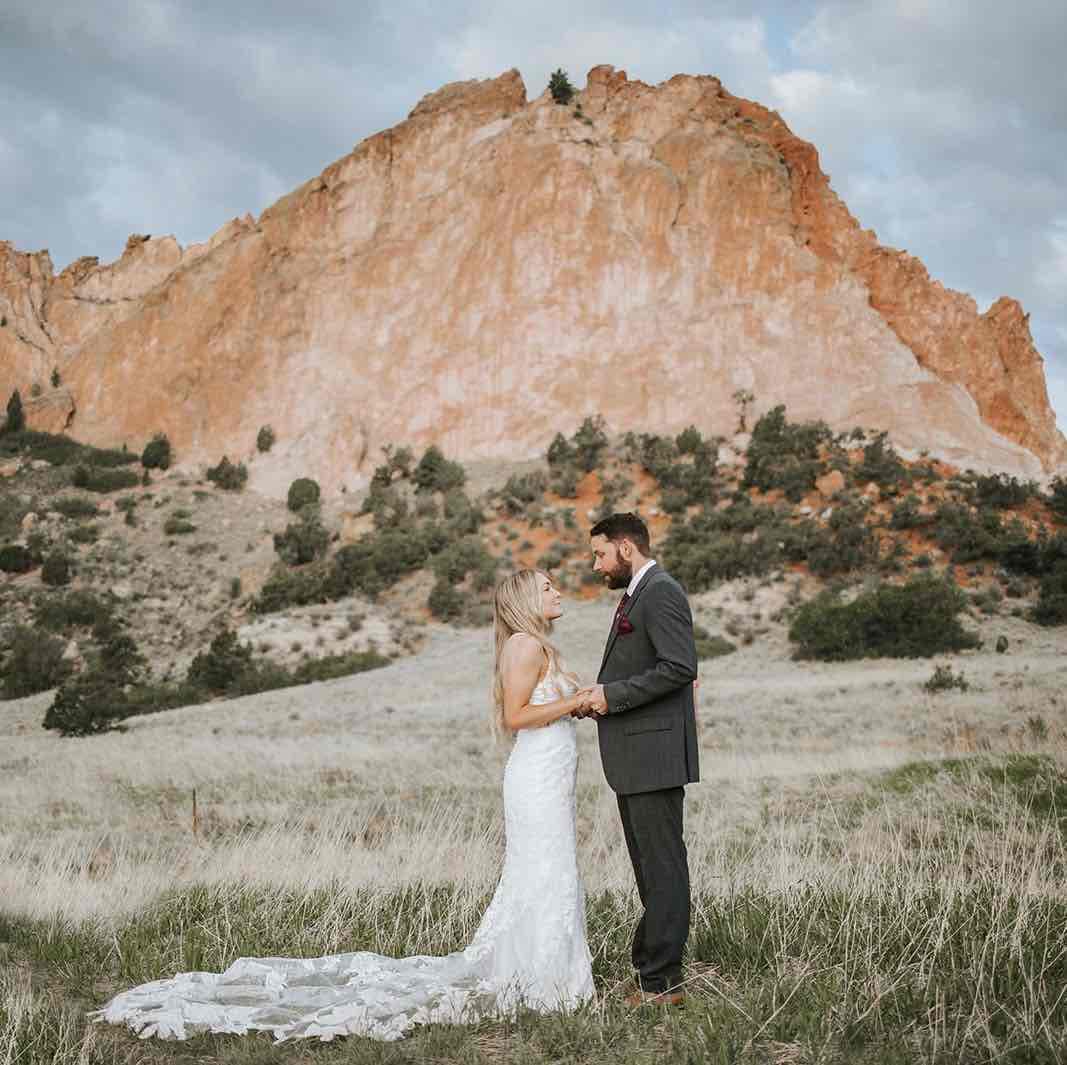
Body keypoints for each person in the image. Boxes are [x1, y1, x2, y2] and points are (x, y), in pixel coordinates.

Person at [92, 569, 594, 1042]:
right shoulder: (526, 645)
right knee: (545, 869)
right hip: (536, 777)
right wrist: (576, 702)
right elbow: (516, 715)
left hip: (547, 775)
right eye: (547, 588)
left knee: (546, 871)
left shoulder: (532, 644)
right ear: (528, 599)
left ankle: (542, 972)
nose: (557, 593)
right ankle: (546, 979)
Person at [575, 512, 699, 1007]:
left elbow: (679, 667)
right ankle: (652, 972)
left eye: (600, 554)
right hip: (637, 756)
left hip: (654, 755)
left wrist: (612, 696)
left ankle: (661, 982)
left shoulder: (661, 591)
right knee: (650, 867)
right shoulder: (638, 595)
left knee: (663, 867)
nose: (597, 565)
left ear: (626, 549)